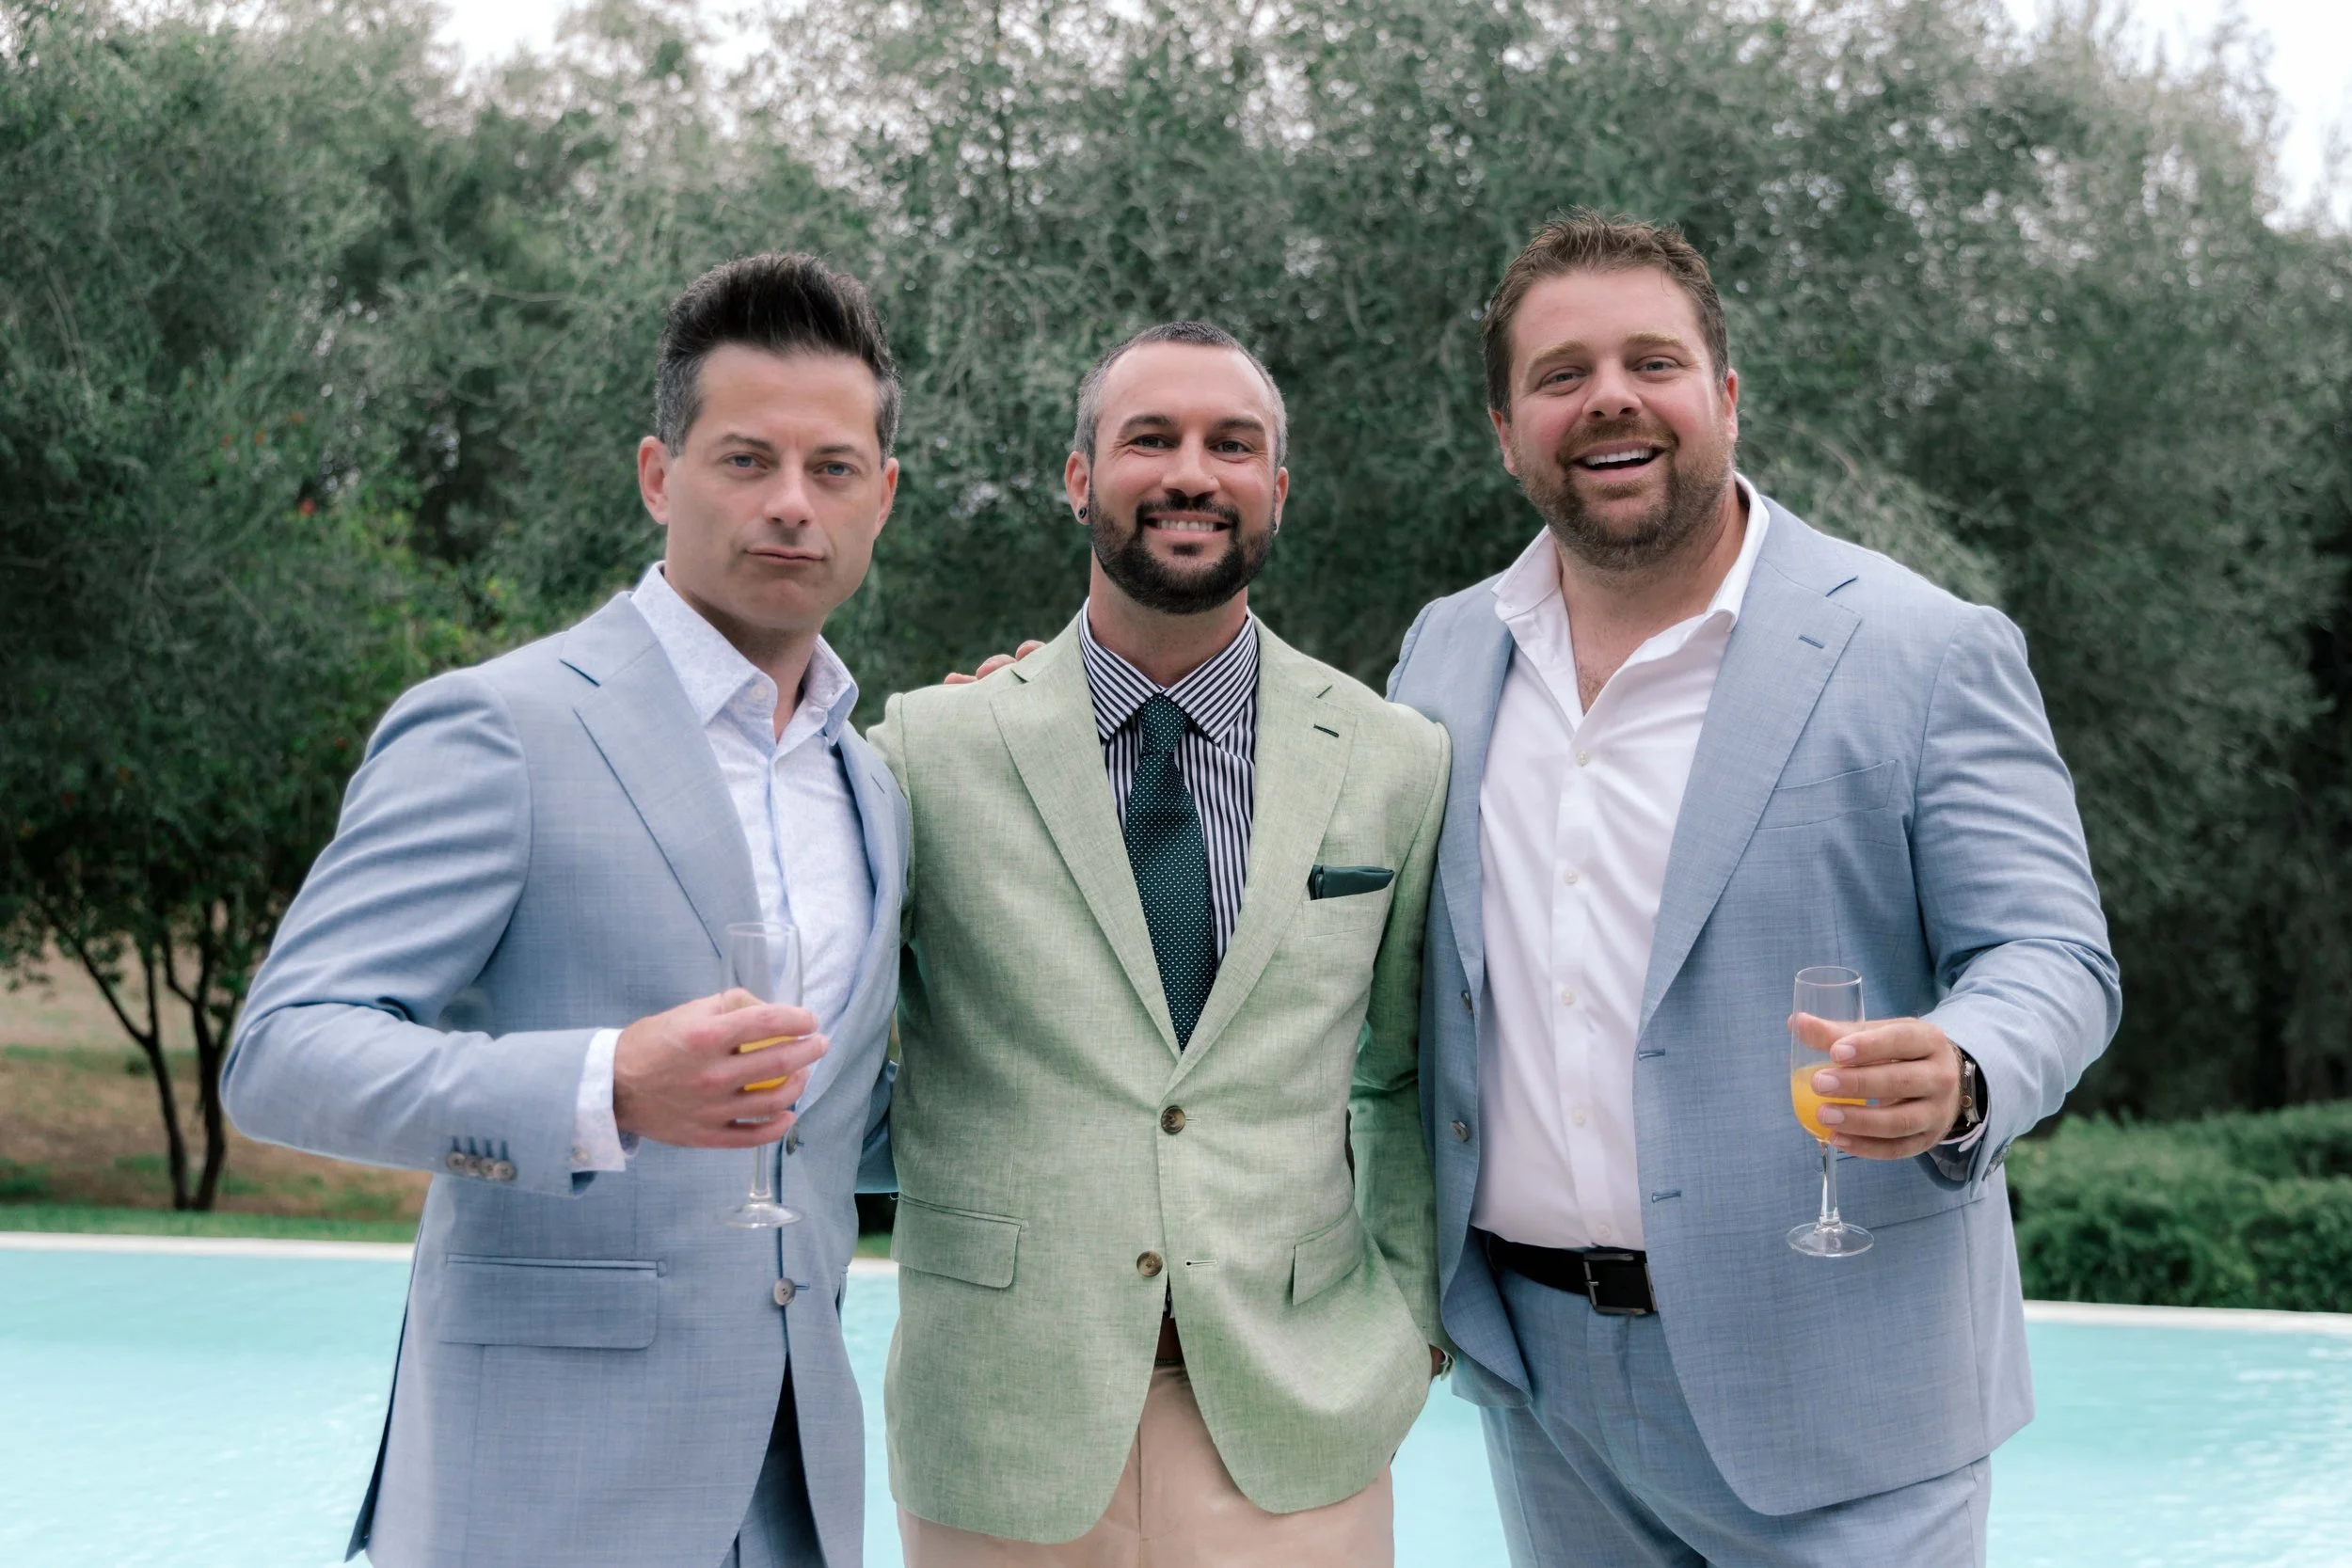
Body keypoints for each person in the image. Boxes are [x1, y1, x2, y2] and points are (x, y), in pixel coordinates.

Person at [1385, 213, 2122, 1565]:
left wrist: (1962, 1063)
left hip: (1845, 1387)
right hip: (1544, 1393)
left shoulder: (1921, 646)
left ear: (1724, 395)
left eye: (1651, 361)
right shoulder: (1442, 655)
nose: (1609, 395)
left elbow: (2055, 955)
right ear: (1506, 431)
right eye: (1561, 374)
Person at [223, 252, 909, 1568]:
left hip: (791, 1492)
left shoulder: (875, 788)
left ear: (880, 498)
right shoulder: (501, 726)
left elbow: (838, 1128)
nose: (789, 505)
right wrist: (605, 1085)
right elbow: (284, 1053)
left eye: (831, 471)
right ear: (660, 474)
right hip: (538, 1491)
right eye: (744, 459)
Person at [868, 322, 1450, 1566]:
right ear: (1081, 477)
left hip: (1301, 1426)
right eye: (1152, 439)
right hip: (1003, 1426)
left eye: (1231, 445)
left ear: (1275, 492)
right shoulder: (928, 749)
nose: (1192, 471)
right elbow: (842, 1050)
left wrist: (1408, 1319)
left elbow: (1400, 1076)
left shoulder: (1399, 761)